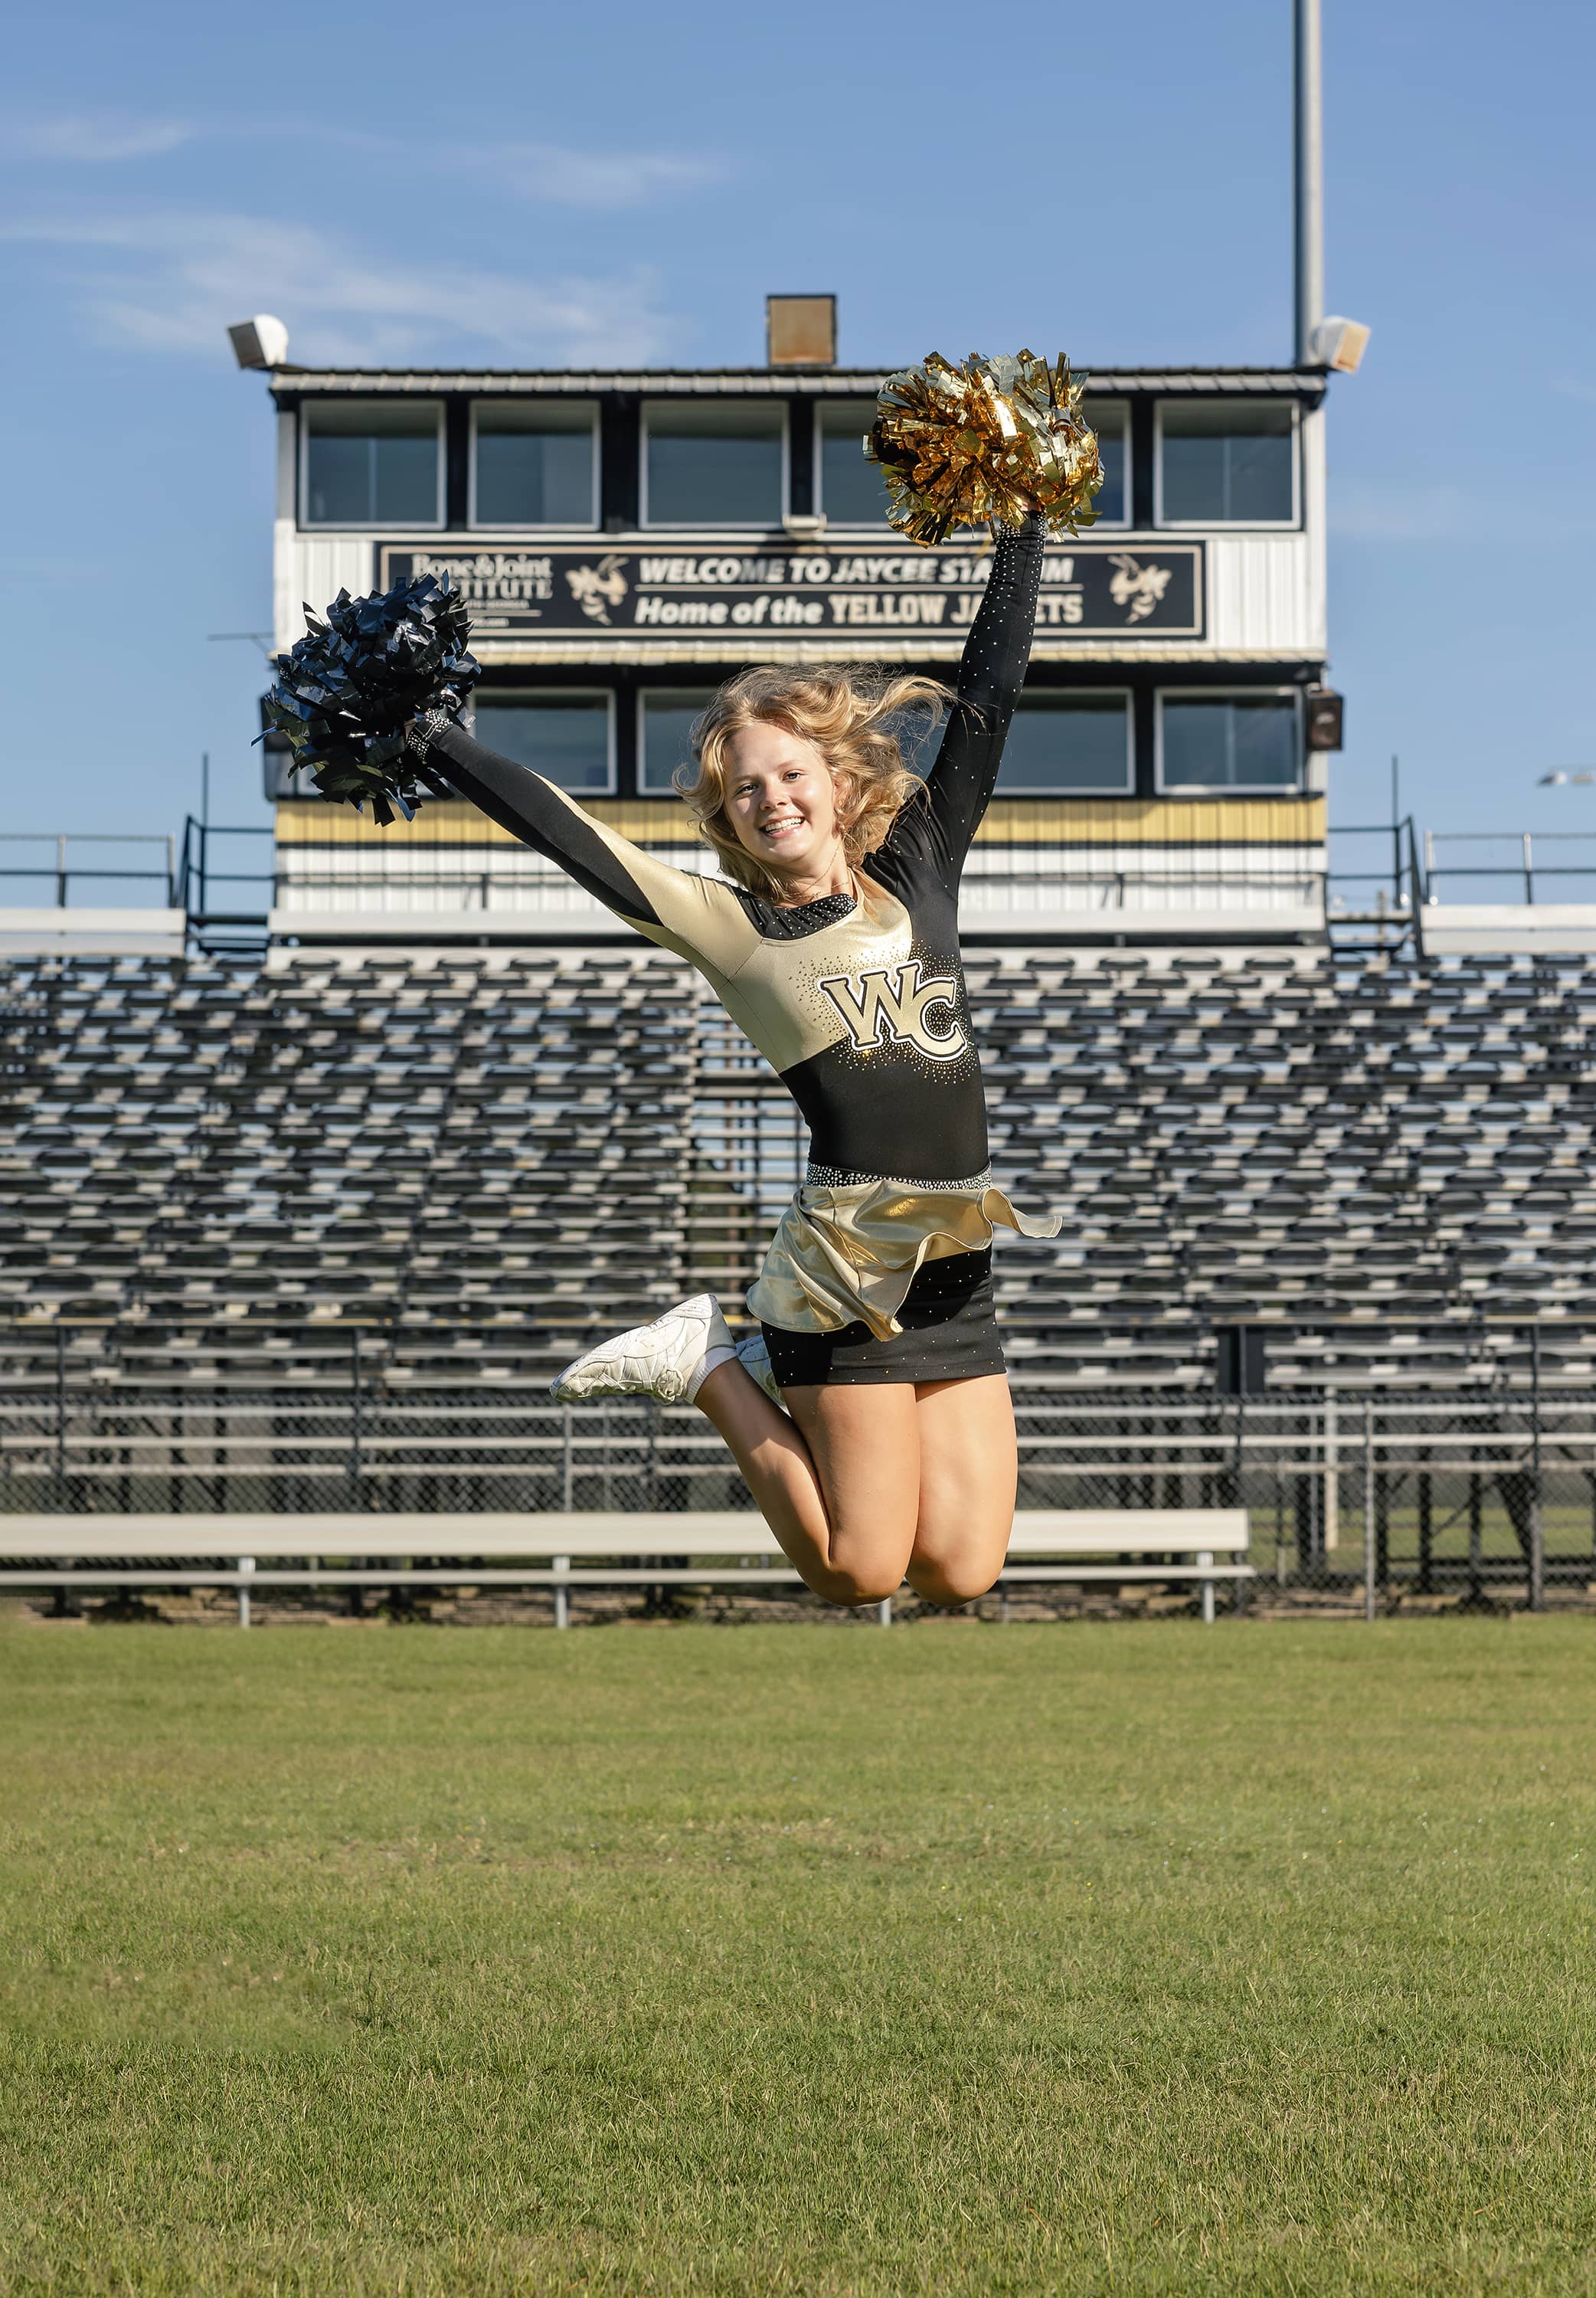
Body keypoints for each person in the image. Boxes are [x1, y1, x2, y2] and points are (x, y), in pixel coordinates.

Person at [404, 511, 1055, 1611]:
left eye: (790, 774)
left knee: (962, 1567)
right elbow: (571, 836)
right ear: (729, 815)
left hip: (955, 1250)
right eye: (746, 789)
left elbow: (988, 699)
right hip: (846, 1267)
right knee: (858, 1570)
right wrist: (434, 739)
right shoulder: (728, 927)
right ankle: (710, 1360)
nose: (772, 799)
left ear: (840, 783)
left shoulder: (921, 867)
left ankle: (730, 1363)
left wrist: (1025, 528)